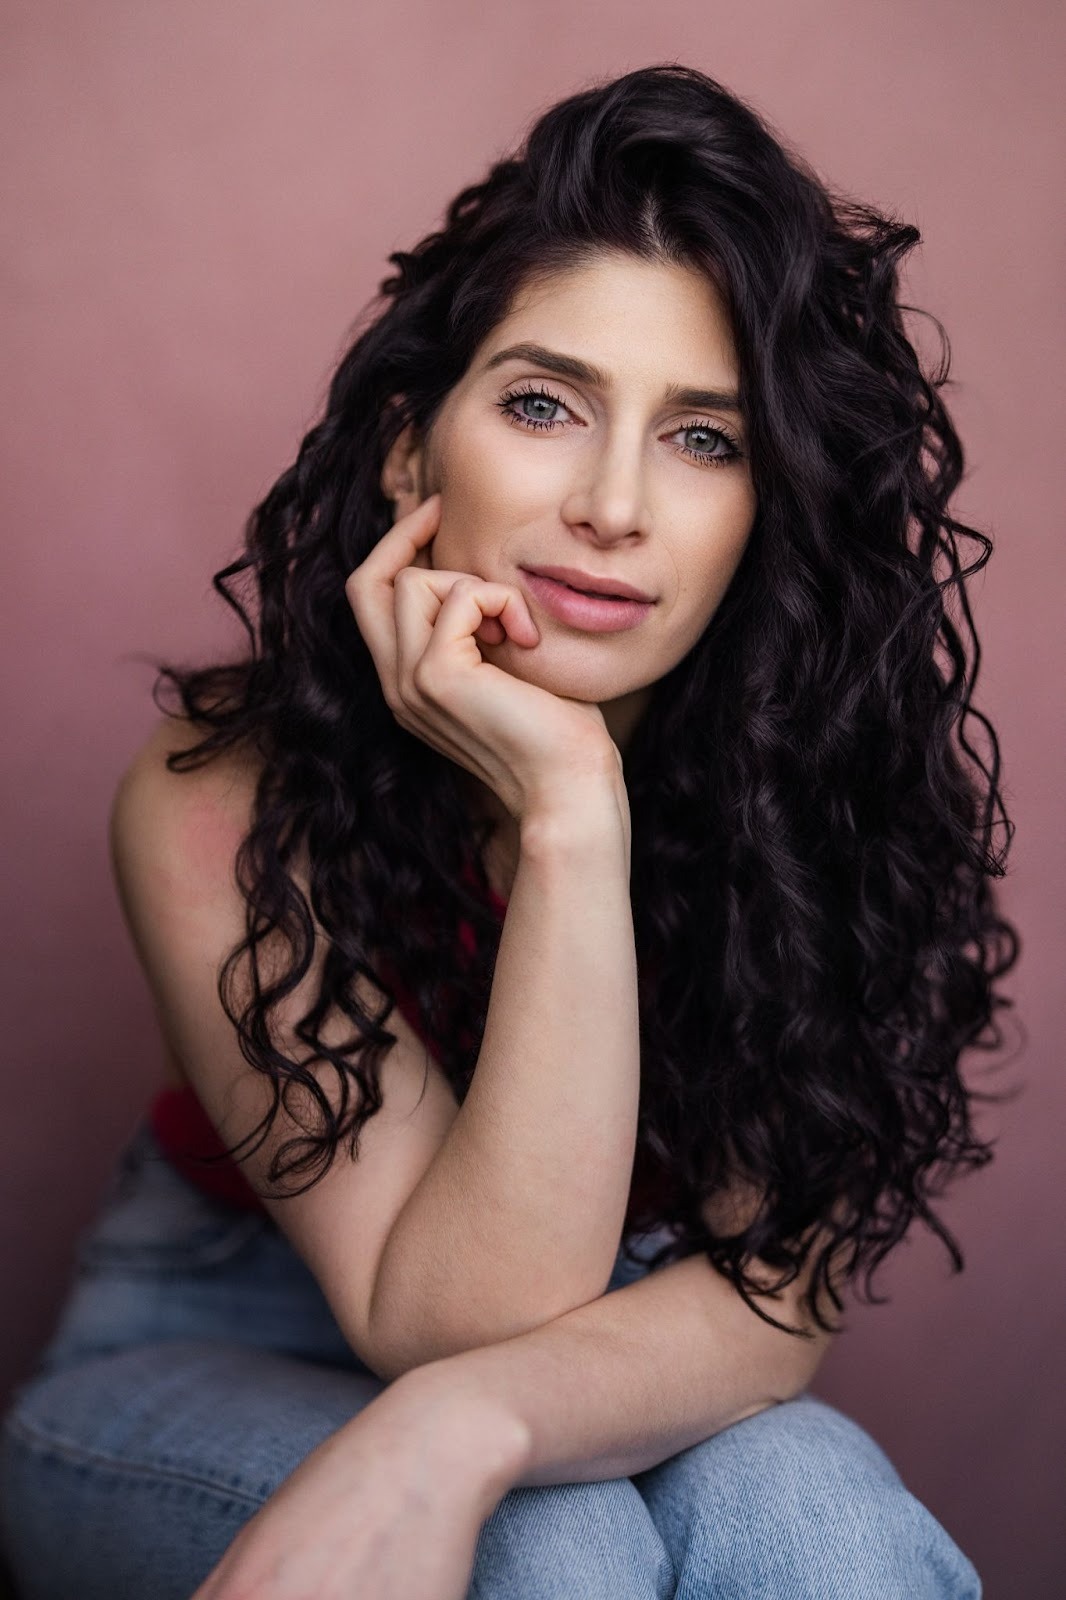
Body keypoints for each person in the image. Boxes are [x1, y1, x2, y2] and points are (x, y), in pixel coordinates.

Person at [0, 63, 1015, 1599]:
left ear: (773, 506)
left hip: (621, 1349)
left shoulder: (816, 793)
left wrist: (456, 1426)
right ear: (412, 449)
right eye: (544, 405)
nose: (612, 505)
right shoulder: (220, 792)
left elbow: (769, 1309)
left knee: (821, 1516)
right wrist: (567, 812)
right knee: (554, 1546)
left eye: (705, 440)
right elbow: (444, 1317)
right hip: (209, 1337)